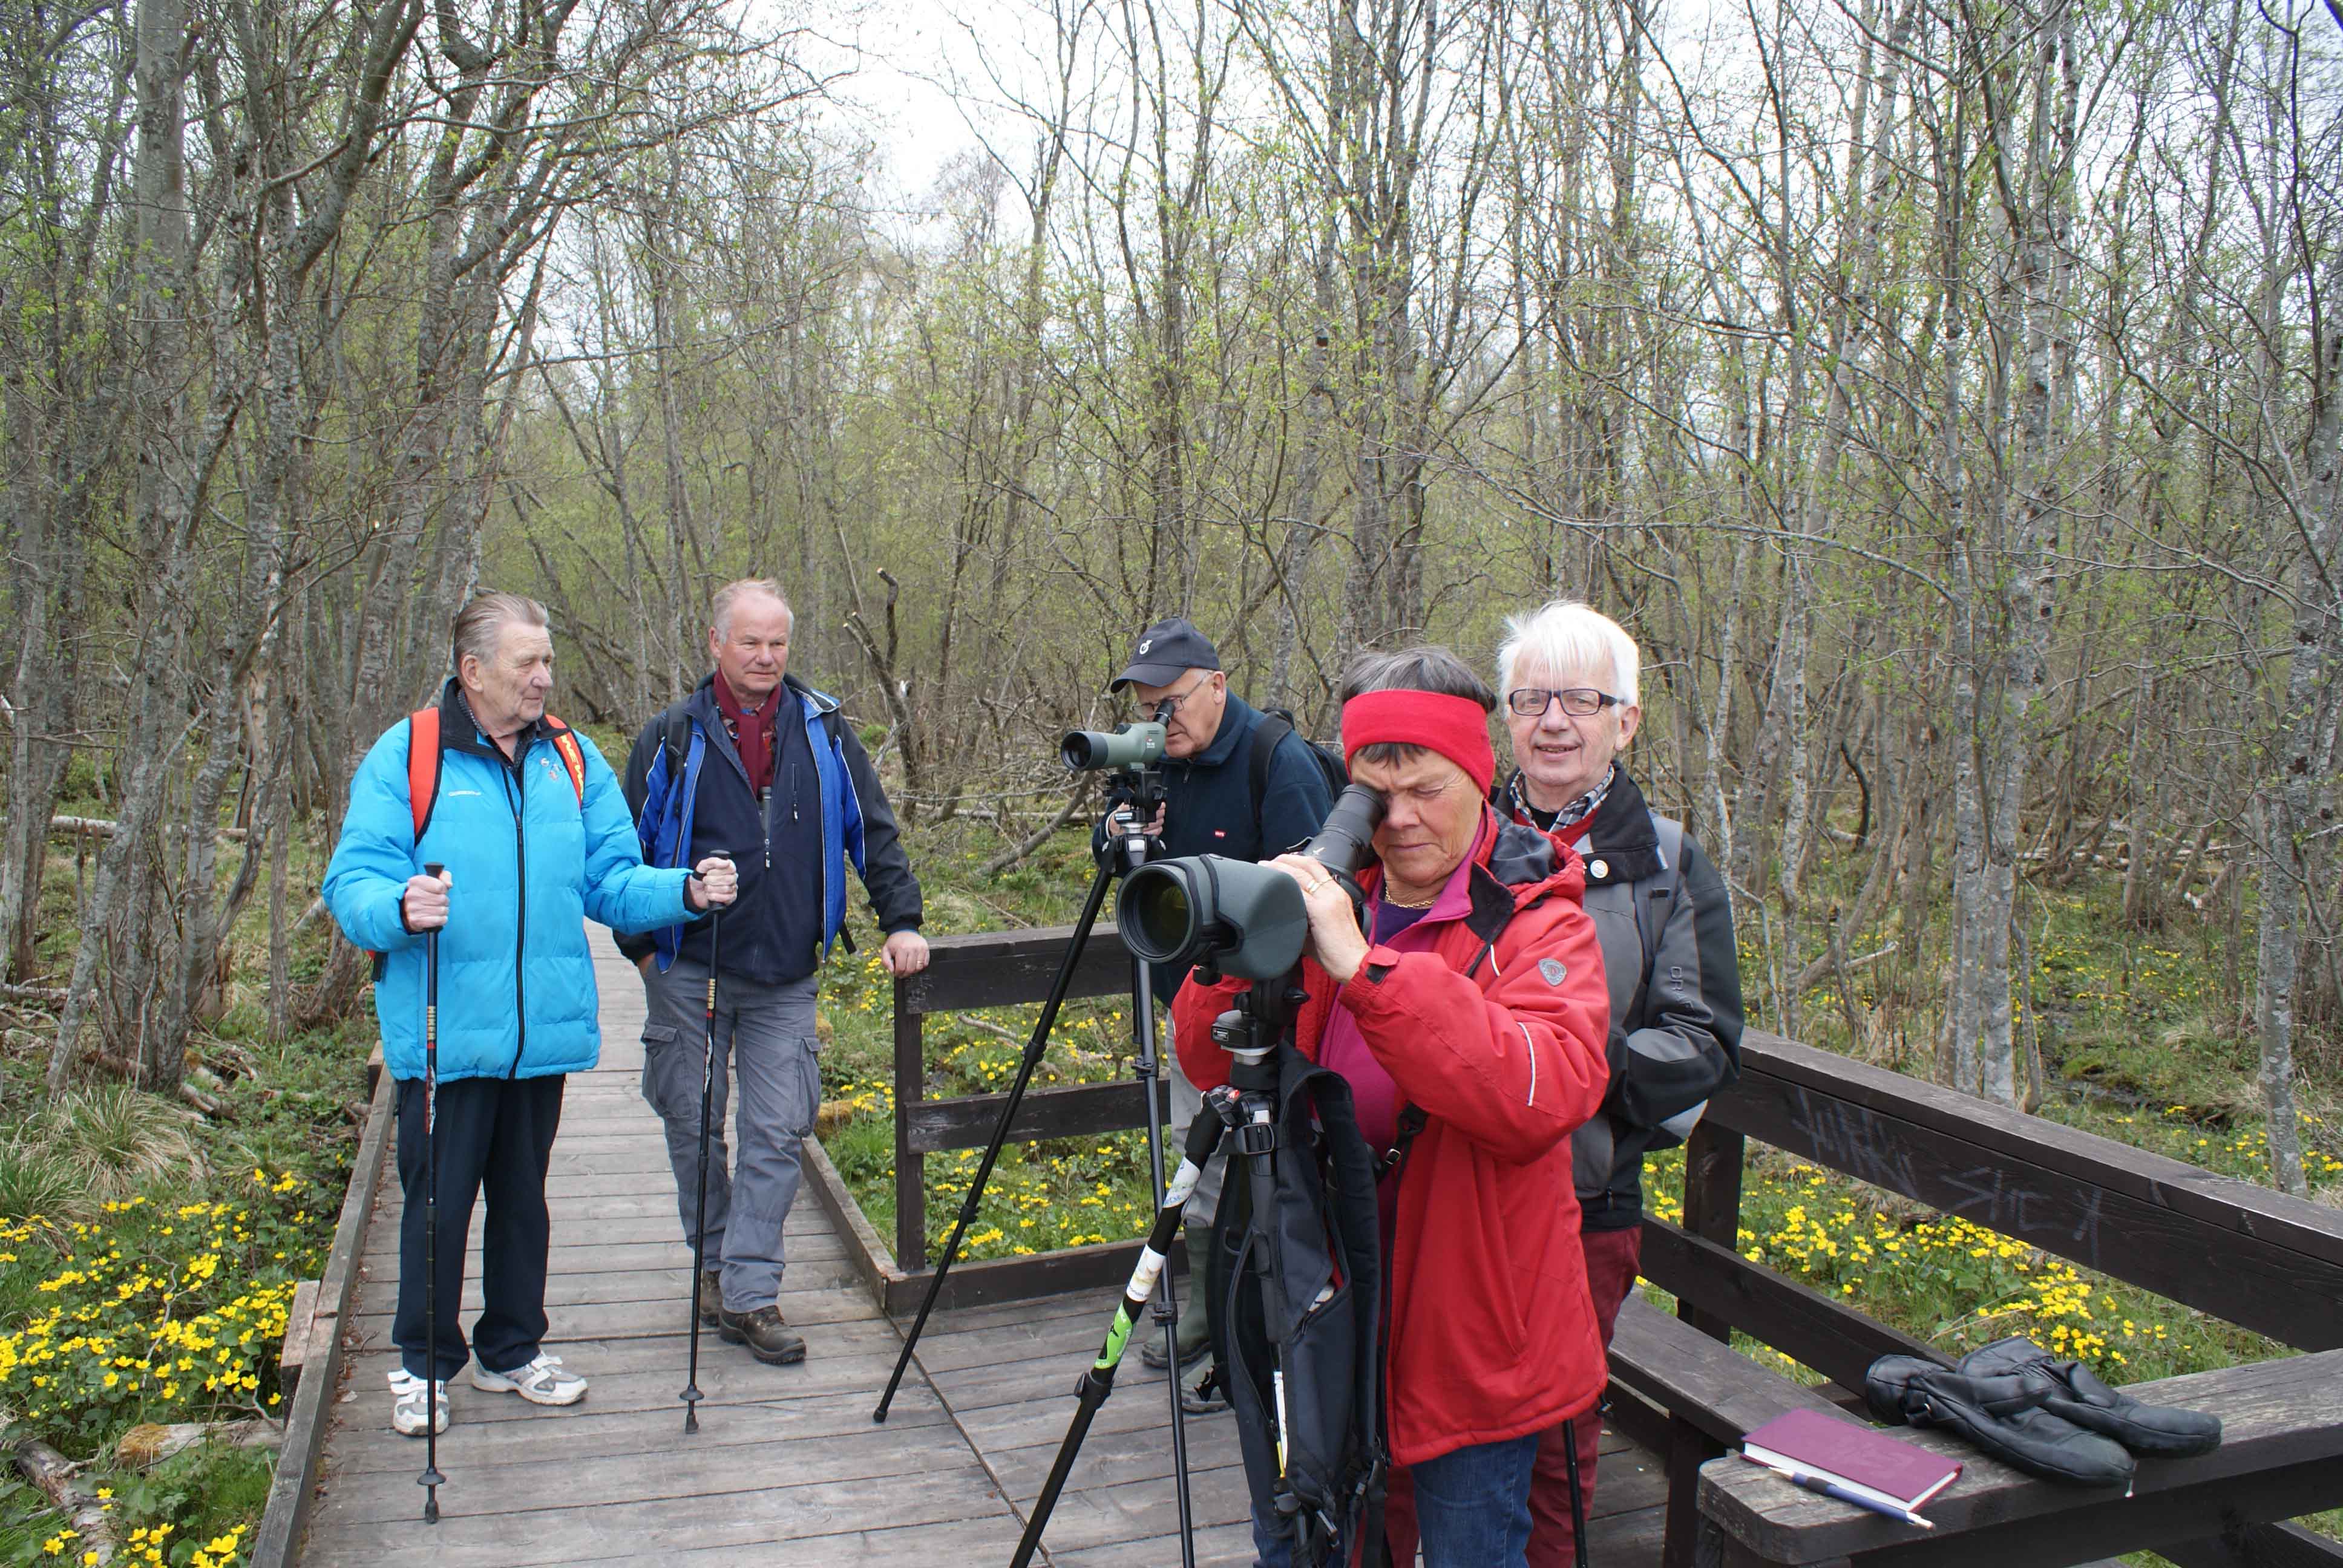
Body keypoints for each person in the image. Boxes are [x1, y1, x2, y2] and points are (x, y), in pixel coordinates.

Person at [1172, 645, 1613, 1568]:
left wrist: (1364, 967)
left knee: (1468, 1549)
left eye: (1428, 789)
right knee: (1311, 1539)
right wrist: (1244, 936)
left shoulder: (1540, 916)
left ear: (1479, 780)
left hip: (1473, 1330)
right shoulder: (1345, 894)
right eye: (1376, 792)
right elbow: (1203, 1052)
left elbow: (1544, 1087)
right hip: (1329, 1306)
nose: (1401, 819)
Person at [325, 592, 736, 1439]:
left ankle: (511, 1351)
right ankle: (422, 1364)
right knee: (437, 1205)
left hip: (538, 1032)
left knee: (523, 1199)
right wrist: (399, 905)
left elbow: (612, 880)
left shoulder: (573, 760)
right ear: (474, 671)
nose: (544, 677)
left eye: (547, 661)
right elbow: (352, 880)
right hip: (446, 1030)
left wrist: (685, 891)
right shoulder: (410, 755)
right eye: (527, 664)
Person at [618, 578, 928, 1365]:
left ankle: (751, 1293)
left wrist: (902, 919)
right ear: (717, 642)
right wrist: (644, 951)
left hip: (788, 970)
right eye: (750, 641)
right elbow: (621, 856)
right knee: (692, 1124)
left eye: (777, 643)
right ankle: (715, 1265)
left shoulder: (823, 729)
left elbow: (873, 828)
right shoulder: (673, 736)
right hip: (689, 968)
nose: (764, 656)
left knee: (777, 1129)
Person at [1495, 601, 1744, 1568]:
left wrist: (1550, 1073)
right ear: (1507, 716)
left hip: (1583, 1196)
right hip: (1448, 1192)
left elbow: (1704, 1041)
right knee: (1434, 1418)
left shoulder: (1668, 864)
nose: (1554, 721)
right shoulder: (1457, 835)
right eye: (1532, 698)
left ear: (1626, 721)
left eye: (1582, 701)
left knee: (1558, 1436)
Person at [1107, 616, 1337, 1391]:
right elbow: (1134, 882)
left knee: (1273, 1169)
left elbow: (1310, 892)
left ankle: (1270, 1326)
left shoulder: (1277, 761)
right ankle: (1205, 1315)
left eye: (1169, 703)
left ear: (1215, 686)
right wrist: (1119, 838)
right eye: (1146, 707)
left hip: (1270, 1012)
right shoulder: (1157, 761)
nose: (1158, 722)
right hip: (1187, 1006)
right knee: (1193, 1164)